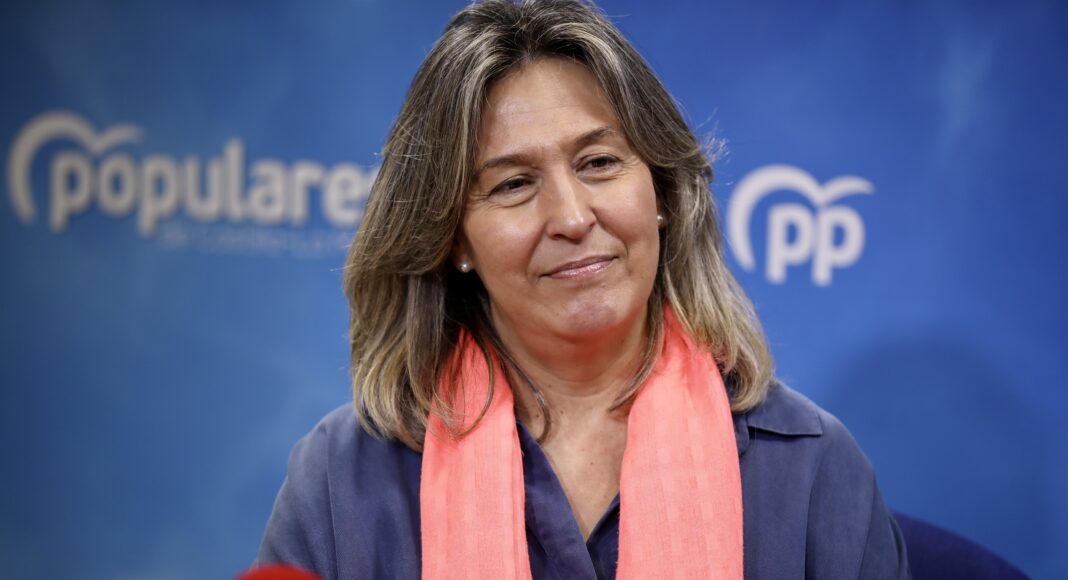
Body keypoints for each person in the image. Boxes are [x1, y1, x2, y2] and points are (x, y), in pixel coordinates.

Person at [256, 1, 910, 578]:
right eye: (514, 184)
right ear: (454, 240)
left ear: (661, 191)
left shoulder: (812, 471)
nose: (571, 218)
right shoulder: (343, 482)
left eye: (599, 163)